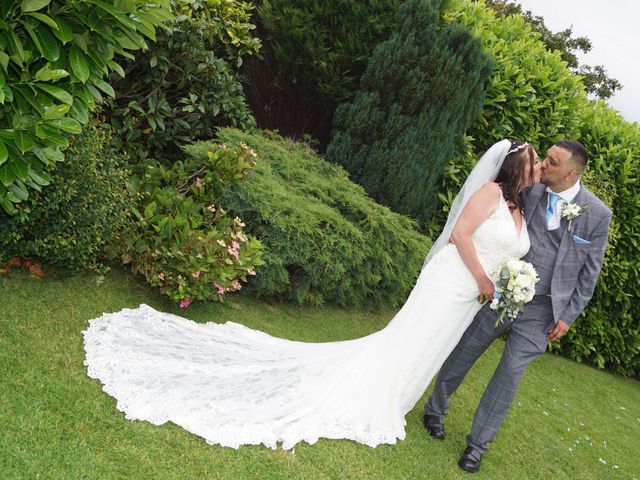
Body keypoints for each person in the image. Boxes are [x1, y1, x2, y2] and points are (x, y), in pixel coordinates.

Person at [83, 139, 540, 450]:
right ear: (518, 165)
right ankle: (375, 395)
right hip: (454, 281)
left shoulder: (520, 207)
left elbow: (502, 249)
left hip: (471, 294)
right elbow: (460, 234)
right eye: (537, 163)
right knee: (413, 337)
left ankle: (397, 396)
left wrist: (499, 283)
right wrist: (484, 279)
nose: (540, 170)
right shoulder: (490, 193)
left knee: (433, 347)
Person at [423, 140, 612, 473]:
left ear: (570, 174)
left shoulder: (597, 215)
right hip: (502, 291)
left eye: (551, 162)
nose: (542, 166)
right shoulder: (532, 190)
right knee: (467, 348)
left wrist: (568, 317)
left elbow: (589, 272)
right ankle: (435, 409)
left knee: (510, 373)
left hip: (544, 310)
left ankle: (477, 446)